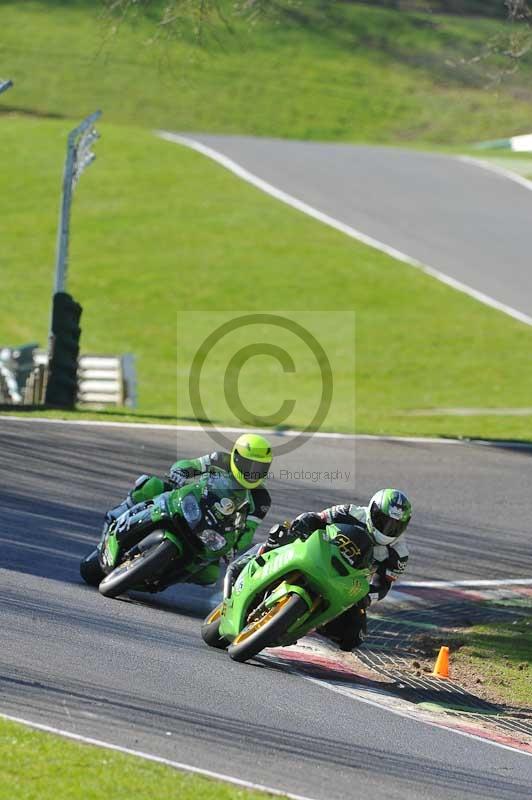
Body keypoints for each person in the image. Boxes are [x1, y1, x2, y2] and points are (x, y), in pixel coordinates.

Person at [105, 433, 273, 586]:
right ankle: (119, 514)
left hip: (214, 531)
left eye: (259, 469)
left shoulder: (261, 499)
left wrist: (233, 548)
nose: (253, 473)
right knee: (151, 485)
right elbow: (190, 465)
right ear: (236, 458)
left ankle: (162, 575)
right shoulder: (220, 459)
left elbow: (248, 531)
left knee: (211, 575)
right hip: (193, 504)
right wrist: (181, 472)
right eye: (249, 466)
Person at [261, 488, 412, 649]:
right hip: (320, 556)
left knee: (353, 637)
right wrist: (304, 523)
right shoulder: (351, 512)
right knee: (282, 534)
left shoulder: (399, 553)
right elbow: (318, 518)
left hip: (345, 583)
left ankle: (307, 623)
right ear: (372, 510)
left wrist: (367, 597)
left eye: (395, 526)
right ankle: (257, 560)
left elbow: (383, 585)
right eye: (383, 521)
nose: (388, 529)